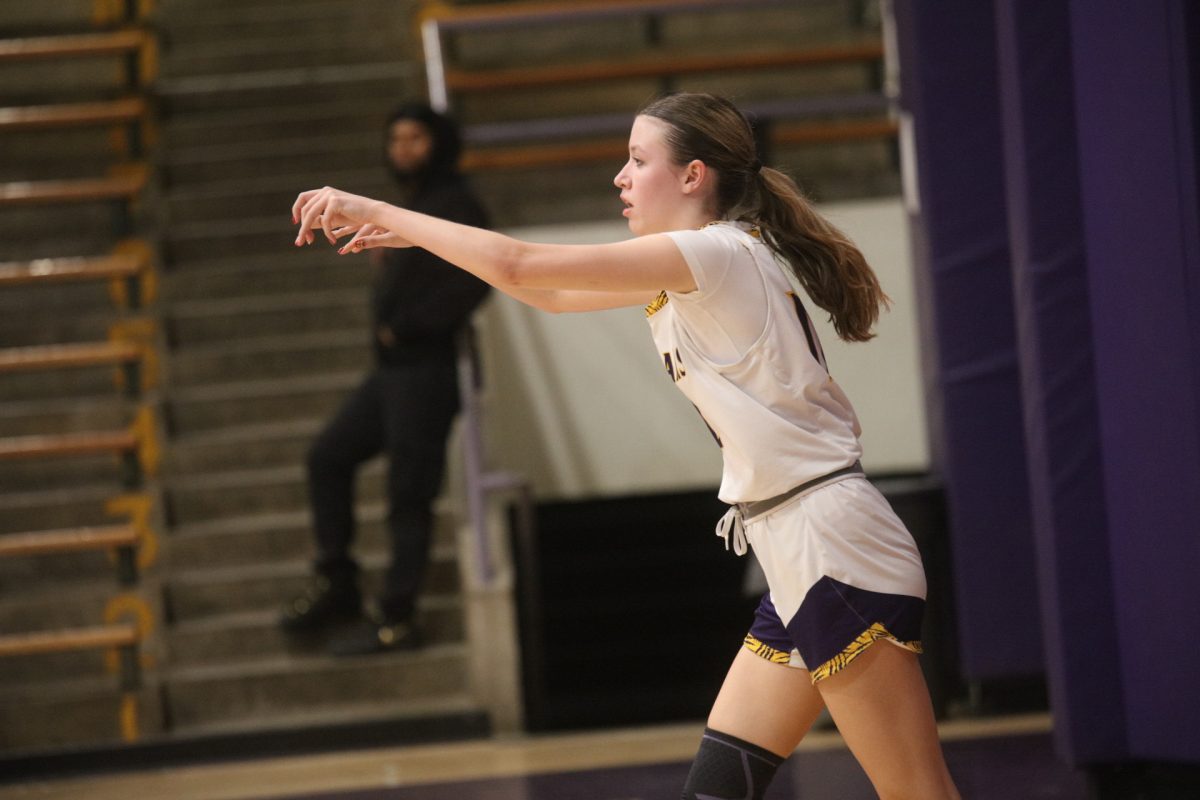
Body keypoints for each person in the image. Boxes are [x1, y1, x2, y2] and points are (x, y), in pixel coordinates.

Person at [291, 92, 960, 798]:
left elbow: (521, 265)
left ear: (694, 176)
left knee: (917, 793)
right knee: (715, 791)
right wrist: (422, 237)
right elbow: (543, 292)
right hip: (796, 551)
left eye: (638, 160)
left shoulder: (716, 254)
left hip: (834, 549)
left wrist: (384, 212)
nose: (621, 176)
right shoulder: (690, 271)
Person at [279, 102, 491, 657]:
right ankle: (338, 580)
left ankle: (398, 617)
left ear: (438, 142)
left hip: (426, 371)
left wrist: (408, 327)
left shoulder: (456, 203)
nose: (402, 148)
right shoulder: (416, 205)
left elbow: (478, 281)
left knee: (408, 494)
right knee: (328, 456)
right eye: (395, 138)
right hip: (393, 373)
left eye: (415, 137)